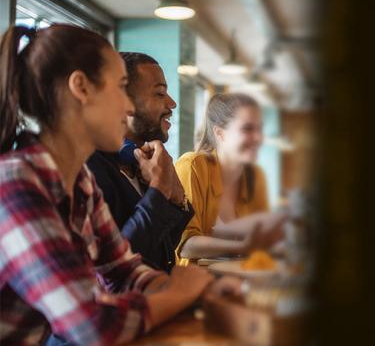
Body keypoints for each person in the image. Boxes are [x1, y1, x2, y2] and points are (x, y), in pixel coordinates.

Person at [0, 24, 228, 345]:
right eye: (121, 87)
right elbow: (91, 327)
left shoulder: (79, 181)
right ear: (81, 87)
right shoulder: (17, 187)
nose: (129, 107)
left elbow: (125, 269)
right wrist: (178, 291)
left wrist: (194, 290)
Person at [86, 52, 191, 273]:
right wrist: (159, 190)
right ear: (123, 101)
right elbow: (118, 266)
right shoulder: (91, 168)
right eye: (159, 93)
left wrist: (178, 197)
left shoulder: (144, 160)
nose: (172, 103)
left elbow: (164, 246)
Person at [175, 93, 287, 265]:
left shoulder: (256, 176)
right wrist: (242, 246)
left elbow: (261, 242)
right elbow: (185, 246)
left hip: (245, 282)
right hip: (196, 285)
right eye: (247, 129)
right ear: (220, 134)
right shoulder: (192, 166)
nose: (258, 138)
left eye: (259, 129)